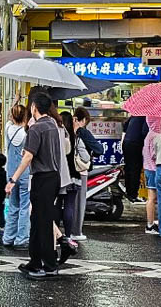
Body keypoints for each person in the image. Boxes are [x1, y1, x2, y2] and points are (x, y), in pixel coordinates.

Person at [7, 91, 64, 279]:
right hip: (53, 177)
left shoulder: (37, 128)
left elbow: (28, 156)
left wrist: (13, 179)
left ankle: (47, 265)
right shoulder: (52, 125)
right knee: (41, 221)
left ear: (34, 107)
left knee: (41, 222)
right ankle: (37, 262)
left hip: (42, 178)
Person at [71, 107, 105, 240]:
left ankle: (68, 231)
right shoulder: (83, 132)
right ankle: (76, 231)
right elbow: (99, 149)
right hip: (81, 170)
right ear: (84, 120)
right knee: (79, 203)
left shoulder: (66, 130)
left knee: (68, 202)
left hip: (67, 171)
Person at [1, 104, 31, 249]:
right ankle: (21, 238)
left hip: (10, 173)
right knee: (25, 207)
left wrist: (16, 101)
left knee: (13, 206)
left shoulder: (8, 129)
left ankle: (8, 237)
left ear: (12, 117)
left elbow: (9, 116)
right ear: (25, 117)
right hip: (25, 174)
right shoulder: (27, 133)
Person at [121, 115, 147, 203]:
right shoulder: (145, 116)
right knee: (135, 169)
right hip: (136, 144)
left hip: (126, 142)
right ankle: (133, 194)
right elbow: (144, 132)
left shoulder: (135, 115)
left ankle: (128, 192)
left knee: (128, 168)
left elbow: (124, 127)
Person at [142, 116, 161, 234]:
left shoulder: (149, 134)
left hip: (148, 168)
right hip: (154, 169)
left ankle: (150, 223)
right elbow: (155, 155)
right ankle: (150, 225)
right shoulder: (156, 136)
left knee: (151, 197)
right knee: (153, 198)